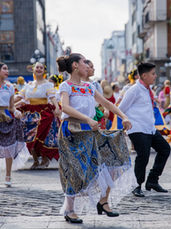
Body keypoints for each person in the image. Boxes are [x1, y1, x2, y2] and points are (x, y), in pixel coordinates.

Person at [57, 53, 134, 224]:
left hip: (90, 131)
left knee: (114, 157)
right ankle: (70, 209)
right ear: (75, 65)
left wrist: (123, 116)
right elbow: (66, 107)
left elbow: (107, 104)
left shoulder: (90, 86)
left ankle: (103, 200)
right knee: (76, 169)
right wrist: (86, 119)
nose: (87, 65)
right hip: (72, 132)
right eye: (84, 62)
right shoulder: (66, 85)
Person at [119, 62, 171, 197]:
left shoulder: (148, 89)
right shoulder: (134, 90)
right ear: (144, 75)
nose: (155, 76)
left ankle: (152, 180)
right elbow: (121, 109)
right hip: (137, 128)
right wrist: (126, 122)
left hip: (149, 128)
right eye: (153, 74)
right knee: (143, 155)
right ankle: (136, 185)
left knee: (165, 149)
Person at [15, 62, 61, 169]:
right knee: (28, 137)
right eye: (37, 67)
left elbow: (52, 97)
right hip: (29, 114)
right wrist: (7, 103)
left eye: (41, 68)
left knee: (42, 136)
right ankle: (35, 160)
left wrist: (57, 108)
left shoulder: (48, 84)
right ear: (33, 70)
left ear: (44, 71)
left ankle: (45, 159)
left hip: (43, 113)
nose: (39, 69)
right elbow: (19, 97)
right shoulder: (29, 85)